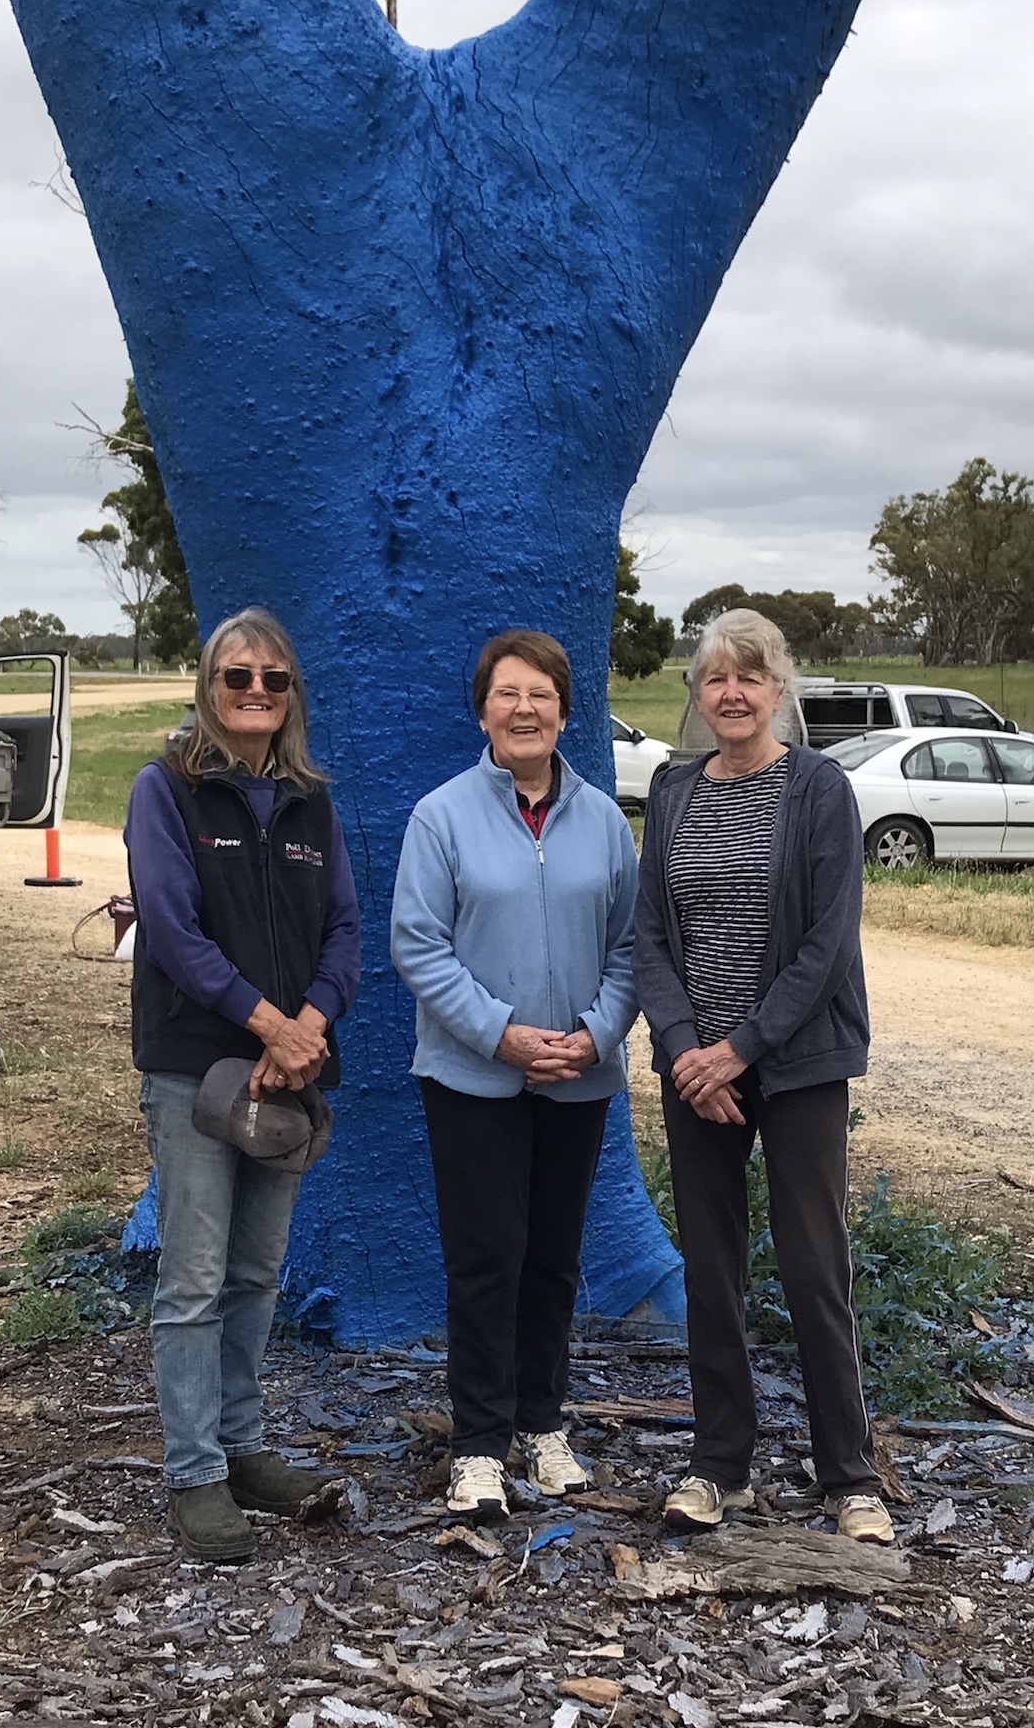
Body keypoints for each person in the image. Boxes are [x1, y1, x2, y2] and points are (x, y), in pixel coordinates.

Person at [633, 607, 893, 1543]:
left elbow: (827, 940)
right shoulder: (672, 789)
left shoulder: (819, 788)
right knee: (712, 1267)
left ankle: (850, 1476)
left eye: (750, 675)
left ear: (779, 689)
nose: (732, 692)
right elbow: (651, 934)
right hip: (695, 1065)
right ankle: (719, 1467)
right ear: (698, 695)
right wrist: (683, 1047)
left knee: (814, 1263)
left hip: (796, 1062)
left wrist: (739, 1047)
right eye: (715, 677)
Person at [126, 608, 362, 1561]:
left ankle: (243, 1445)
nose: (256, 692)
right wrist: (269, 1022)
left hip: (288, 1072)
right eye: (237, 677)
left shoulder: (311, 799)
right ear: (207, 686)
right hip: (197, 1069)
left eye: (274, 678)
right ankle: (194, 1474)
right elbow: (175, 933)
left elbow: (345, 928)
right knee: (191, 1280)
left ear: (292, 692)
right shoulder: (166, 788)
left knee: (257, 1274)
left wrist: (307, 1026)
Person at [392, 628, 641, 1521]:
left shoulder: (606, 822)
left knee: (553, 1262)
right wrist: (500, 1035)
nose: (524, 708)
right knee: (486, 1259)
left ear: (567, 712)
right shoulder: (442, 815)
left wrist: (597, 1032)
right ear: (483, 709)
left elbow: (629, 946)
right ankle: (479, 1445)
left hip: (578, 1075)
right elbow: (417, 946)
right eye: (508, 693)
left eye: (541, 694)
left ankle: (543, 1425)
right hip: (471, 1077)